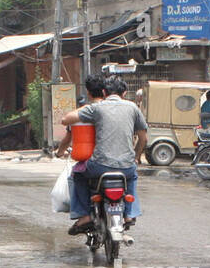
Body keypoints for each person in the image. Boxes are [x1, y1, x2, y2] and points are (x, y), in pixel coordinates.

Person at [60, 74, 146, 234]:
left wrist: (86, 106)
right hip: (126, 166)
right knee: (133, 175)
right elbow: (143, 138)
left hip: (99, 166)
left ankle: (84, 215)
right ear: (125, 93)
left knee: (77, 174)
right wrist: (136, 156)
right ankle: (129, 214)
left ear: (104, 92)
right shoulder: (133, 107)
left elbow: (66, 119)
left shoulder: (96, 108)